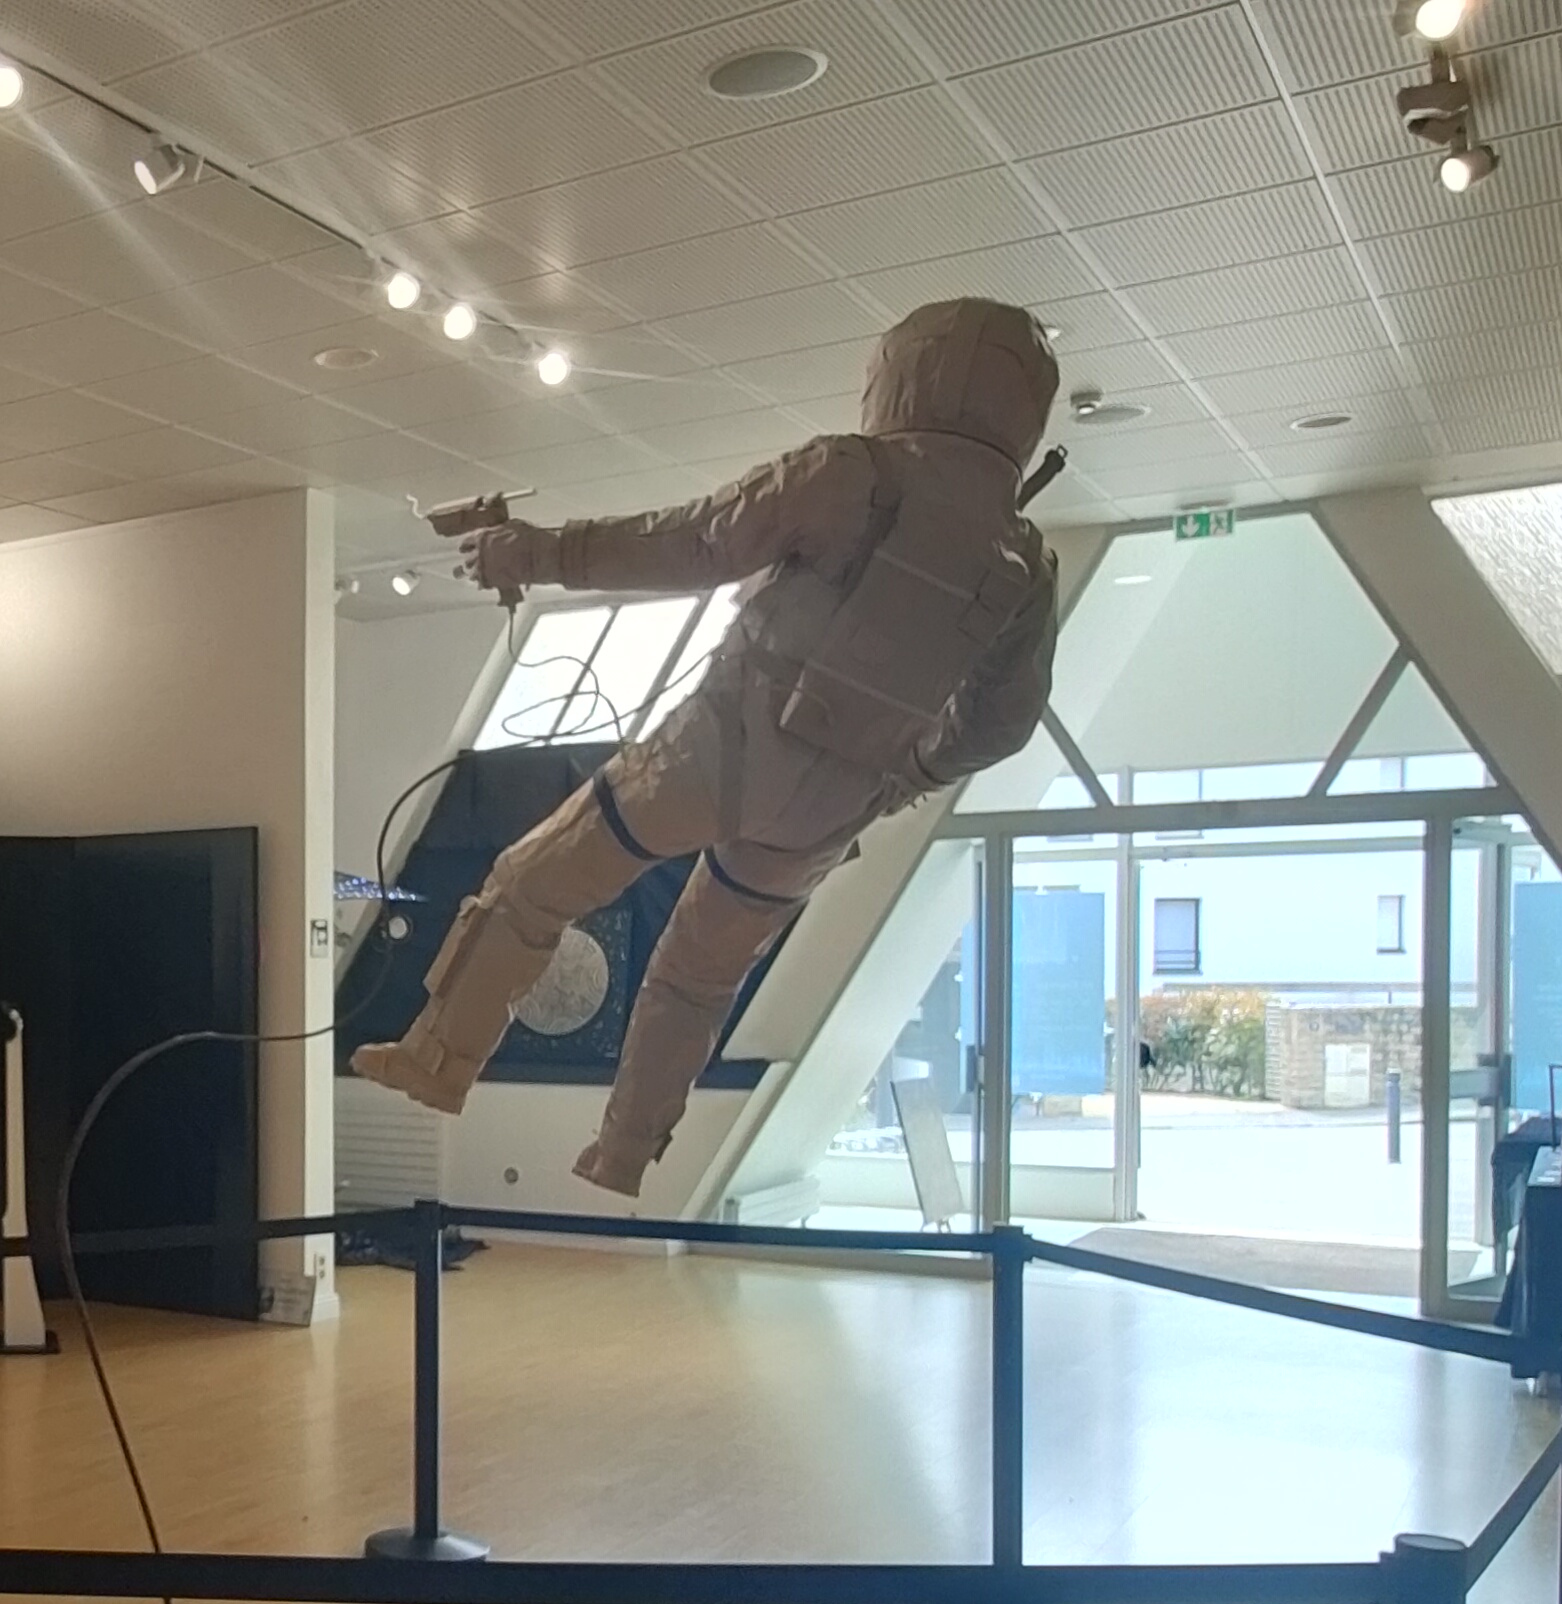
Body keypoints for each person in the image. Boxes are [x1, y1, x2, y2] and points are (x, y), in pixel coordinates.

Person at [348, 296, 1065, 1197]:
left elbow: (694, 543)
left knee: (533, 882)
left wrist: (539, 554)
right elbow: (1002, 722)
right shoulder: (1023, 559)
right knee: (697, 978)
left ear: (909, 370)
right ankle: (624, 1152)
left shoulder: (853, 471)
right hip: (835, 805)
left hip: (725, 743)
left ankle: (438, 1060)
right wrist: (904, 774)